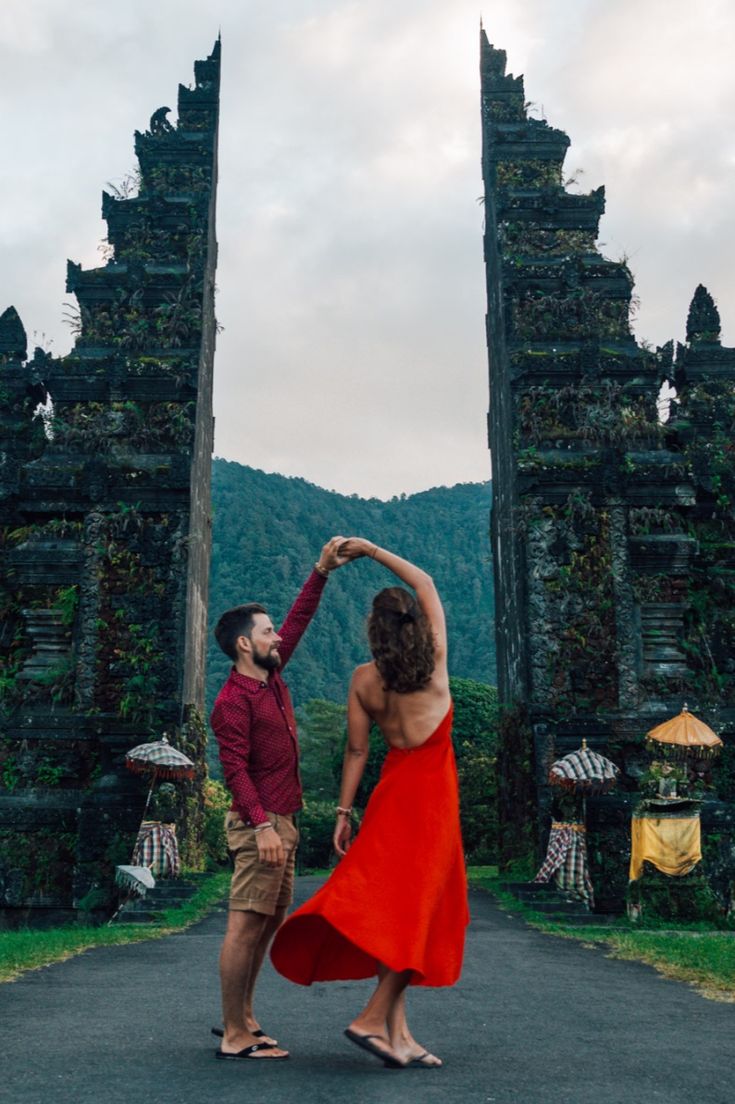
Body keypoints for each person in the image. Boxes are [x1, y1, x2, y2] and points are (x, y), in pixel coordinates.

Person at [270, 538, 468, 1069]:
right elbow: (424, 583)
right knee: (422, 917)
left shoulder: (363, 680)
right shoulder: (437, 668)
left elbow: (356, 751)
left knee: (394, 915)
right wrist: (375, 551)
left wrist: (342, 813)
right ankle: (370, 1019)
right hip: (431, 808)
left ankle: (398, 1037)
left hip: (387, 801)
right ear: (418, 626)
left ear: (374, 631)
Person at [210, 537, 349, 1061]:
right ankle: (232, 1034)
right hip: (259, 825)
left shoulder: (271, 676)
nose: (278, 636)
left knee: (268, 921)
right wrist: (262, 827)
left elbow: (302, 617)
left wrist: (320, 571)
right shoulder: (232, 701)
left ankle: (244, 1017)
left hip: (283, 822)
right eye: (268, 632)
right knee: (245, 923)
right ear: (245, 644)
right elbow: (234, 770)